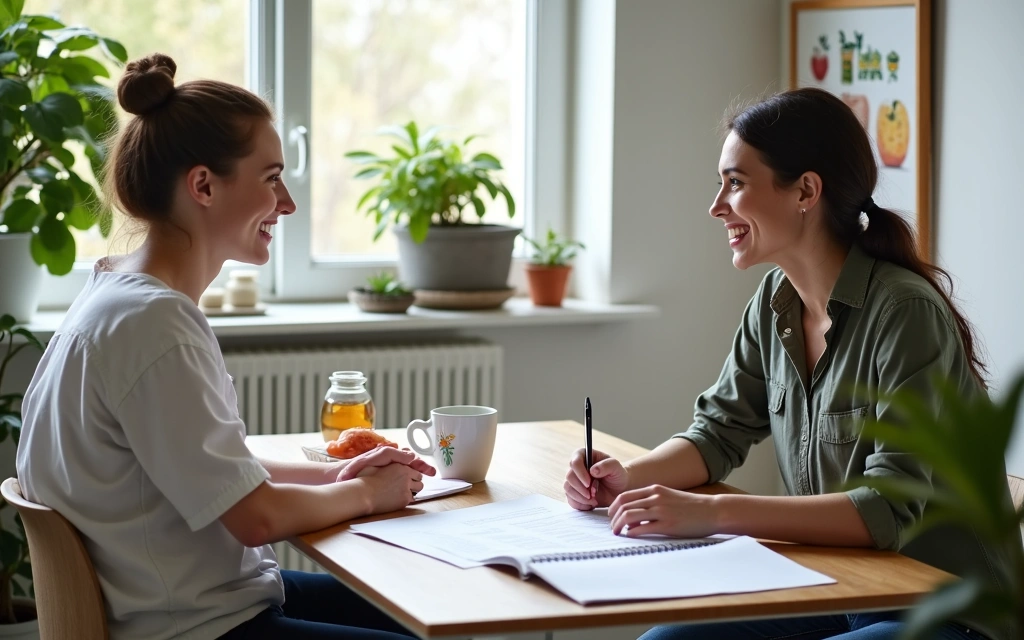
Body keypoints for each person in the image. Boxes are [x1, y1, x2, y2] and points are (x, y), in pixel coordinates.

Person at [563, 88, 1017, 640]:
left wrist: (711, 515)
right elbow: (717, 433)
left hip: (947, 611)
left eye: (735, 183)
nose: (716, 206)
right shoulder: (775, 301)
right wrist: (626, 478)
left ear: (805, 190)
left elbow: (887, 508)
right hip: (840, 584)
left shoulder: (905, 312)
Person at [16, 53, 434, 640]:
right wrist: (366, 493)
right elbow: (255, 518)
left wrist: (338, 476)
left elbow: (214, 471)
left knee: (423, 604)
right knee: (430, 617)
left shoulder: (113, 295)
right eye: (271, 178)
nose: (287, 203)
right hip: (199, 627)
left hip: (199, 605)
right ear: (204, 185)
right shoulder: (154, 324)